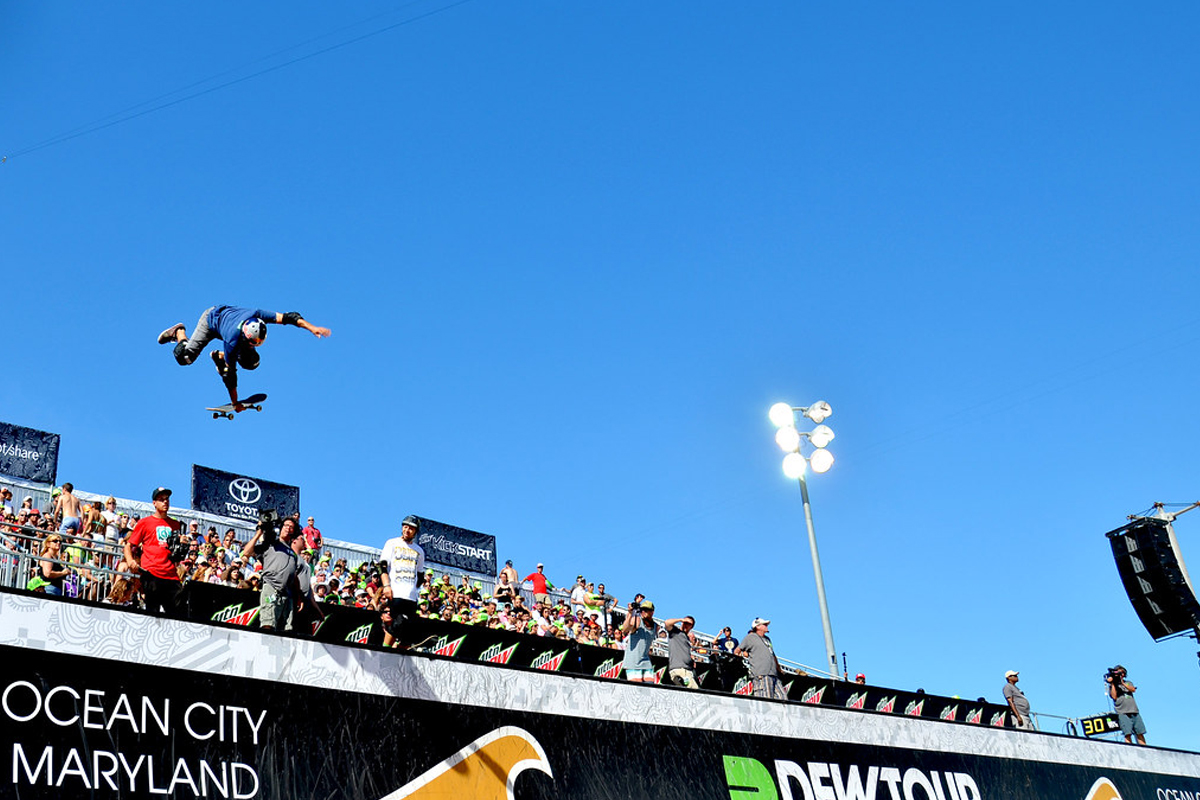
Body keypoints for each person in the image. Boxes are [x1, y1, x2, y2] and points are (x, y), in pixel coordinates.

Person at [157, 305, 331, 410]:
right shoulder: (232, 341)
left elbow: (289, 317)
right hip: (210, 322)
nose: (252, 346)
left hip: (228, 323)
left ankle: (219, 357)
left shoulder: (258, 314)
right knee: (184, 358)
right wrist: (235, 403)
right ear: (245, 336)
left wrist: (312, 327)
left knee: (252, 362)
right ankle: (179, 332)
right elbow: (230, 376)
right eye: (251, 343)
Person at [123, 487, 186, 617]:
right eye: (161, 499)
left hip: (171, 574)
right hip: (152, 572)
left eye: (167, 499)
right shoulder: (145, 522)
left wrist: (184, 544)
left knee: (179, 615)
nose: (165, 502)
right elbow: (128, 545)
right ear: (154, 503)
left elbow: (177, 554)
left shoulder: (176, 525)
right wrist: (130, 561)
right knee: (153, 614)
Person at [242, 515, 302, 631]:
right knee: (268, 622)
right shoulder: (271, 544)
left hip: (287, 594)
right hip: (271, 588)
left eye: (291, 527)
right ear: (281, 527)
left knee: (287, 628)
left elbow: (294, 576)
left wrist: (298, 596)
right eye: (286, 525)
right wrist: (259, 532)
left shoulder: (293, 553)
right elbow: (247, 552)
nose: (288, 528)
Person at [380, 515, 426, 647]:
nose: (407, 530)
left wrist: (414, 588)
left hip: (411, 596)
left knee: (407, 634)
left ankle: (397, 655)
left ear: (415, 531)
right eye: (405, 527)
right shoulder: (392, 543)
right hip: (396, 592)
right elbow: (382, 566)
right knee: (397, 623)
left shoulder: (419, 551)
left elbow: (420, 574)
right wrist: (386, 586)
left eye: (411, 528)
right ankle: (385, 650)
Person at [736, 618, 787, 700]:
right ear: (758, 626)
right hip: (761, 674)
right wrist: (743, 656)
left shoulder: (767, 639)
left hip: (773, 674)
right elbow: (737, 651)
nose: (767, 626)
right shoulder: (750, 637)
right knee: (766, 700)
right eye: (764, 624)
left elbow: (772, 655)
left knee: (783, 699)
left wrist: (779, 669)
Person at [1106, 665, 1147, 745]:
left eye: (1122, 673)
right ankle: (1129, 748)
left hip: (1134, 711)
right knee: (1127, 733)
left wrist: (1122, 683)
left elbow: (1133, 689)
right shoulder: (1112, 685)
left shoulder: (1128, 682)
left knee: (1140, 732)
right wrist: (1112, 684)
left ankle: (1145, 748)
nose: (1120, 675)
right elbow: (1114, 697)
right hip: (1122, 712)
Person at [621, 600, 658, 683]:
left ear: (652, 612)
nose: (643, 612)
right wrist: (630, 613)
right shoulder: (637, 621)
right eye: (642, 610)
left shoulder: (655, 626)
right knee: (637, 689)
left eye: (646, 610)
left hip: (645, 660)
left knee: (650, 686)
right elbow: (625, 629)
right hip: (633, 660)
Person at [663, 615, 699, 689]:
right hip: (680, 670)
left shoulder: (686, 637)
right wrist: (680, 619)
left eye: (689, 624)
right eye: (685, 623)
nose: (686, 625)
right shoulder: (675, 632)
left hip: (687, 670)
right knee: (695, 692)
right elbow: (667, 623)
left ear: (691, 627)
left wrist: (690, 660)